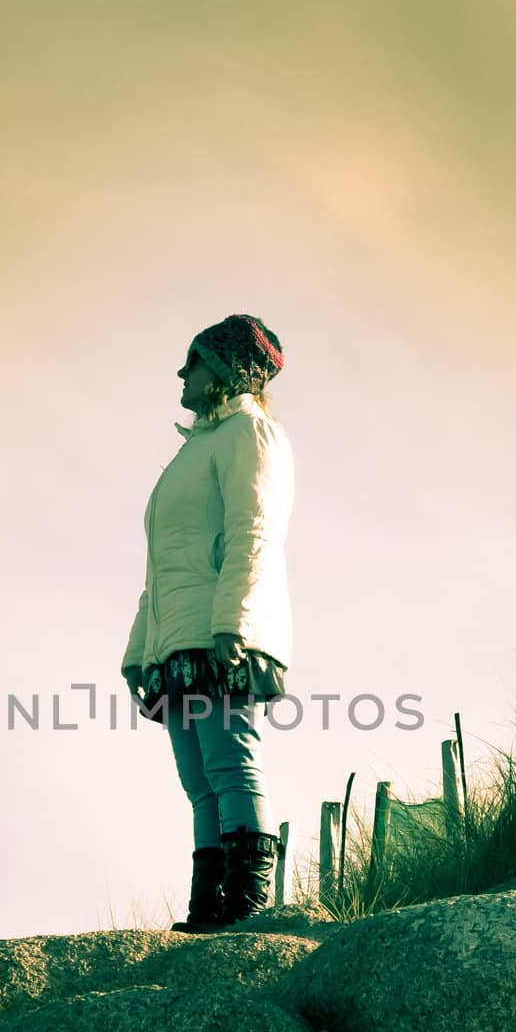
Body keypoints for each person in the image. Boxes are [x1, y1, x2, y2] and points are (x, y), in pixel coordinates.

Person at [120, 313, 295, 931]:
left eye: (192, 361)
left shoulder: (252, 433)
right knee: (200, 783)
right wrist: (140, 654)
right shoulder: (191, 452)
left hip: (225, 635)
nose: (181, 373)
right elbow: (161, 570)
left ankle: (246, 910)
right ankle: (208, 911)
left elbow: (256, 533)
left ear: (221, 368)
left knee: (231, 766)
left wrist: (234, 626)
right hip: (179, 642)